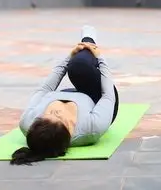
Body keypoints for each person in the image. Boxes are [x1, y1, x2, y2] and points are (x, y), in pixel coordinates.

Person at [10, 25, 119, 165]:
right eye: (59, 116)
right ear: (68, 129)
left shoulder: (27, 122)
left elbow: (45, 88)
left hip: (73, 94)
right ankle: (89, 39)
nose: (56, 110)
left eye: (48, 114)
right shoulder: (92, 127)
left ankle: (83, 46)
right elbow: (107, 95)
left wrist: (70, 55)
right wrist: (100, 57)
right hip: (98, 98)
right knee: (79, 66)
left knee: (75, 62)